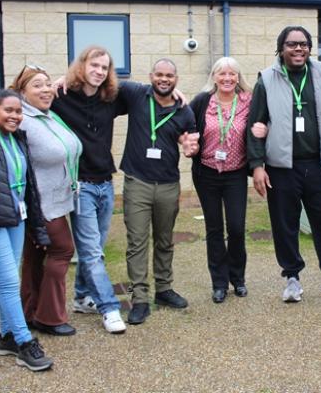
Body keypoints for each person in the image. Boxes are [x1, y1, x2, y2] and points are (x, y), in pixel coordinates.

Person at [247, 26, 321, 302]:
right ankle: (292, 278)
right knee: (284, 223)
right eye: (292, 44)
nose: (298, 49)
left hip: (319, 165)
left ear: (310, 48)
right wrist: (256, 165)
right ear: (281, 48)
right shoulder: (266, 79)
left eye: (303, 44)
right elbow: (255, 123)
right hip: (281, 168)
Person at [0, 89, 53, 371]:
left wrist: (37, 227)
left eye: (18, 112)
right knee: (8, 283)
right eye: (8, 110)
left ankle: (6, 337)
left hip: (16, 218)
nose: (15, 116)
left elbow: (28, 187)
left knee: (9, 279)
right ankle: (25, 342)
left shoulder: (17, 138)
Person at [51, 45, 128, 334]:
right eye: (94, 65)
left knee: (93, 249)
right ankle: (109, 308)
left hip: (106, 184)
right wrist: (56, 80)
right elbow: (25, 95)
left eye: (105, 67)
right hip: (80, 186)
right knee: (93, 251)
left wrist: (177, 93)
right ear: (81, 66)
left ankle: (82, 296)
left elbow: (143, 91)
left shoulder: (110, 99)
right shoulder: (61, 96)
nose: (99, 71)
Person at [120, 59, 197, 325]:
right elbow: (105, 83)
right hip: (137, 182)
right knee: (137, 243)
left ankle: (164, 290)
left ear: (176, 79)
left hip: (168, 184)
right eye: (159, 74)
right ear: (151, 75)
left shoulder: (184, 111)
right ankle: (139, 299)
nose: (164, 79)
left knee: (165, 240)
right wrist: (65, 81)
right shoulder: (136, 94)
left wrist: (190, 147)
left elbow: (190, 141)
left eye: (169, 76)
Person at [10, 66, 82, 336]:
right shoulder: (23, 121)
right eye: (37, 85)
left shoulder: (47, 116)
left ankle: (29, 312)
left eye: (47, 84)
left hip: (56, 199)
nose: (45, 90)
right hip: (40, 203)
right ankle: (50, 317)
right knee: (62, 249)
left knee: (34, 255)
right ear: (22, 92)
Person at [190, 57, 266, 303]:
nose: (227, 78)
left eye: (232, 74)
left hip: (234, 174)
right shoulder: (203, 101)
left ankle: (238, 279)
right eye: (222, 74)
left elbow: (262, 123)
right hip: (206, 173)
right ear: (214, 77)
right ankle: (219, 283)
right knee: (214, 229)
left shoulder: (248, 101)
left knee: (236, 228)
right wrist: (186, 143)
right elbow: (184, 122)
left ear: (238, 77)